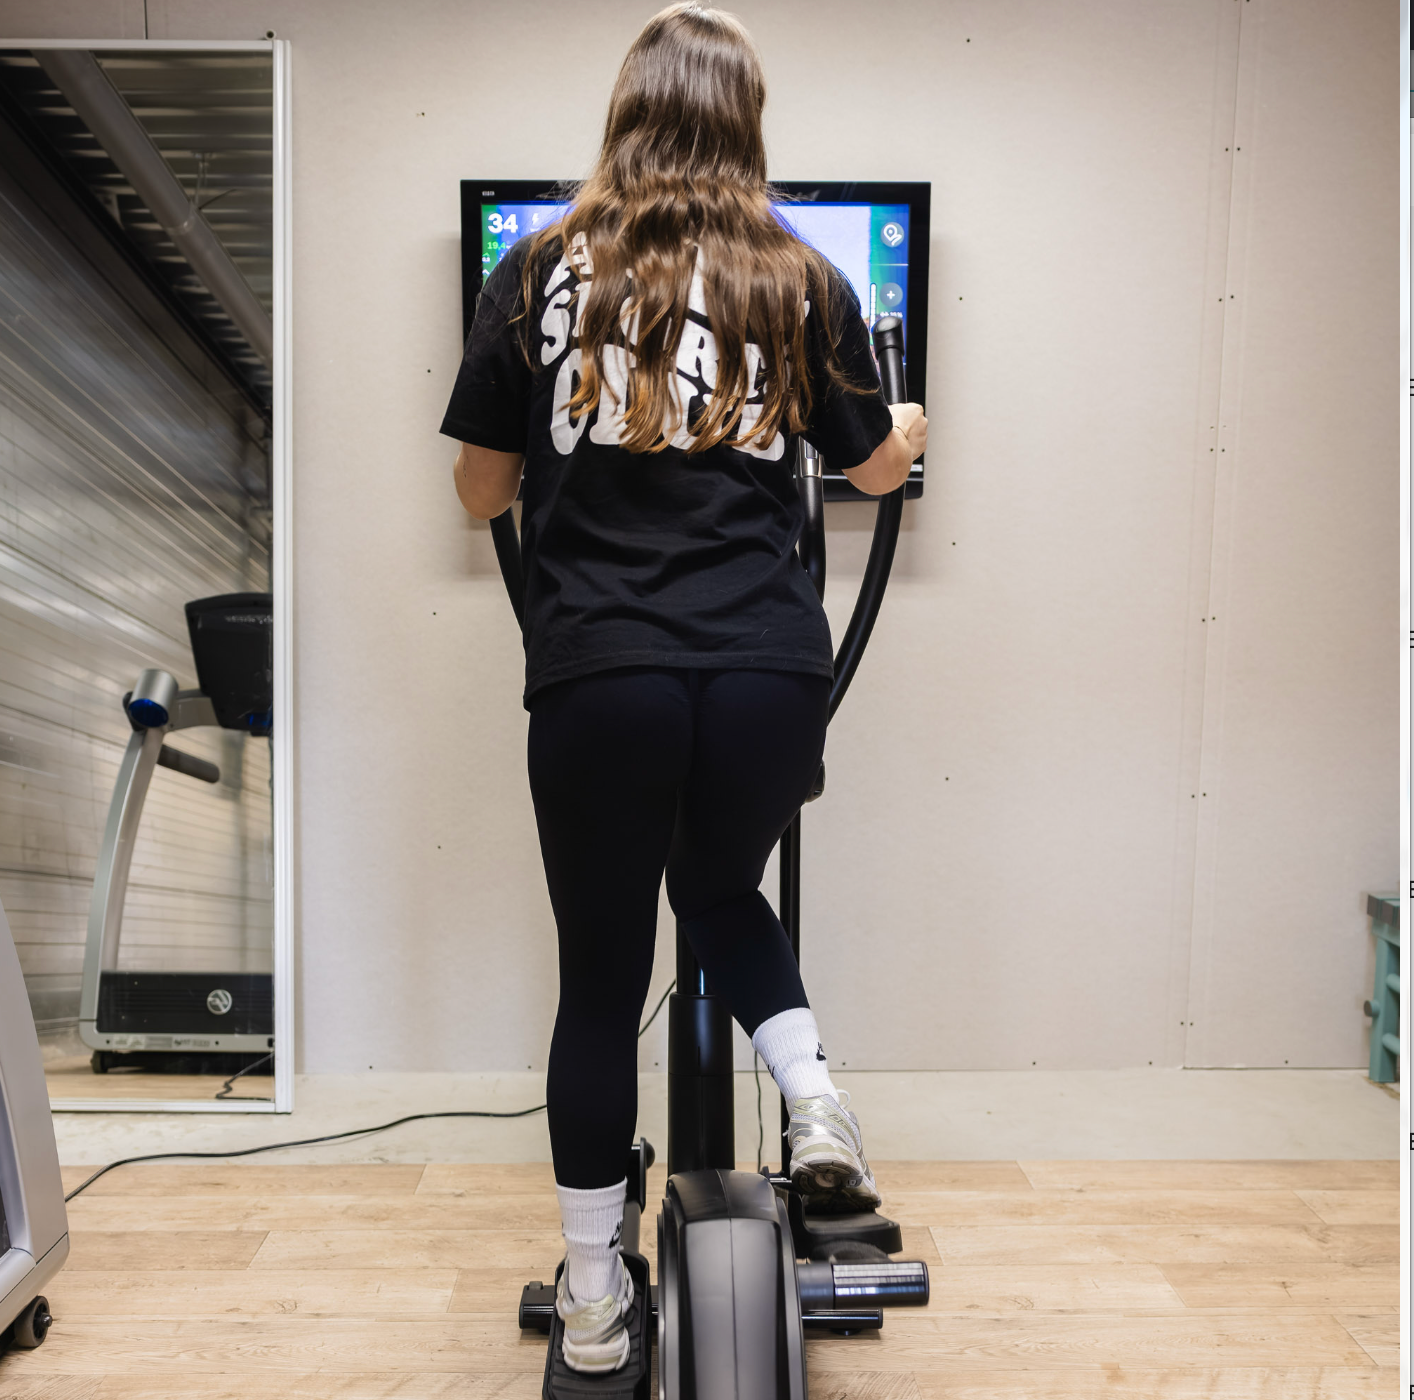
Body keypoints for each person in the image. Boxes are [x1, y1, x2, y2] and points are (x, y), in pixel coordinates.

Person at [441, 2, 927, 1376]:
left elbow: (481, 486)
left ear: (625, 113)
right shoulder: (799, 277)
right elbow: (872, 470)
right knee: (721, 896)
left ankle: (593, 1304)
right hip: (769, 668)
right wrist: (899, 431)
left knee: (602, 980)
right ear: (743, 121)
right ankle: (816, 1101)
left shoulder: (536, 268)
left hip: (603, 670)